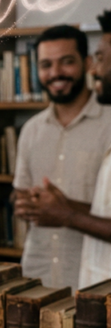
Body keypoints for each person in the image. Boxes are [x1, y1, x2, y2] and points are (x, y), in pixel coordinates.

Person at [10, 25, 111, 291]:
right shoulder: (31, 129)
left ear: (87, 63)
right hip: (37, 274)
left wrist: (63, 211)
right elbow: (20, 193)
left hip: (95, 281)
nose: (55, 73)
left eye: (67, 62)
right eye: (46, 65)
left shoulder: (109, 124)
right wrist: (24, 204)